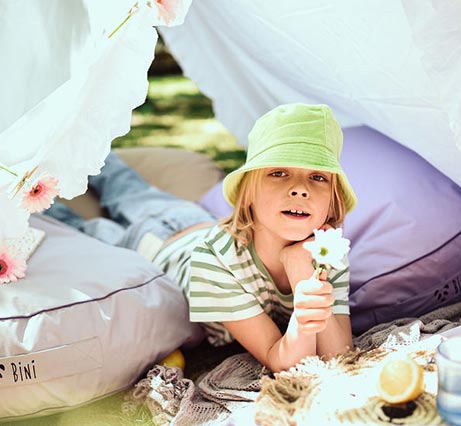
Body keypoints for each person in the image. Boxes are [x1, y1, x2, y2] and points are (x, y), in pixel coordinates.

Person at [45, 103, 357, 372]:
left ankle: (46, 183)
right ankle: (66, 136)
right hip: (160, 245)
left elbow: (337, 357)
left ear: (332, 202)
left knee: (85, 227)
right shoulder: (218, 262)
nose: (300, 189)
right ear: (247, 195)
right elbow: (284, 361)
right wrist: (306, 310)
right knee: (120, 193)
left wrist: (306, 274)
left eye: (318, 177)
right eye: (278, 172)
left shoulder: (327, 253)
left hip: (196, 224)